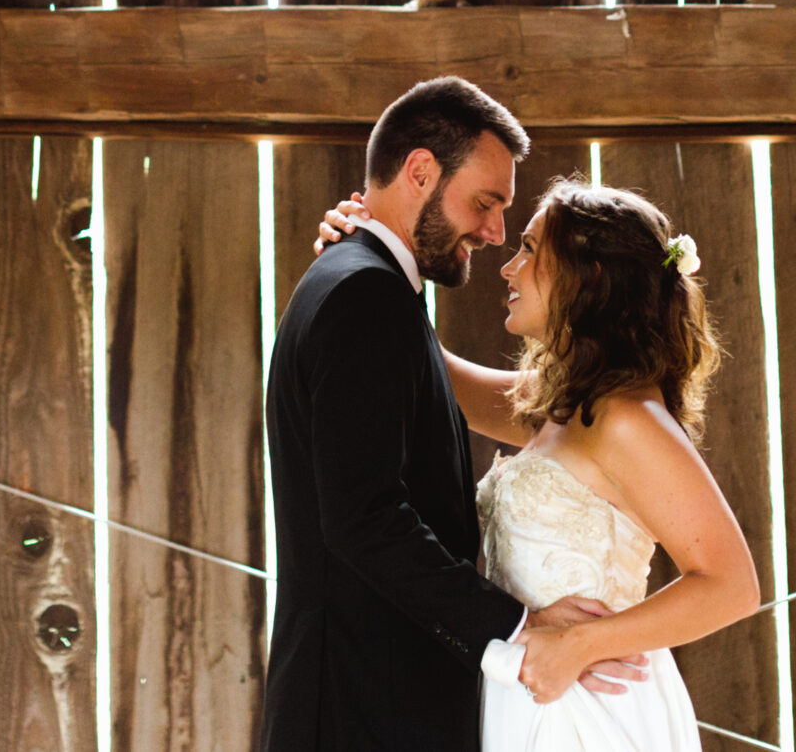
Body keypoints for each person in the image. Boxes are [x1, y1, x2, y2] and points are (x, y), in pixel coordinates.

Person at [258, 77, 645, 752]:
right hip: (357, 713)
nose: (495, 235)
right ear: (419, 171)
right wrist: (521, 628)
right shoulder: (364, 294)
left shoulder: (373, 290)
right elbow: (363, 518)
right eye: (486, 203)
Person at [314, 172, 761, 752]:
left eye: (528, 249)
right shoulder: (558, 405)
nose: (507, 267)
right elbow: (429, 368)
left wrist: (576, 647)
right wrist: (364, 261)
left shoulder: (627, 419)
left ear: (589, 275)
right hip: (526, 695)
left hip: (594, 707)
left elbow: (732, 586)